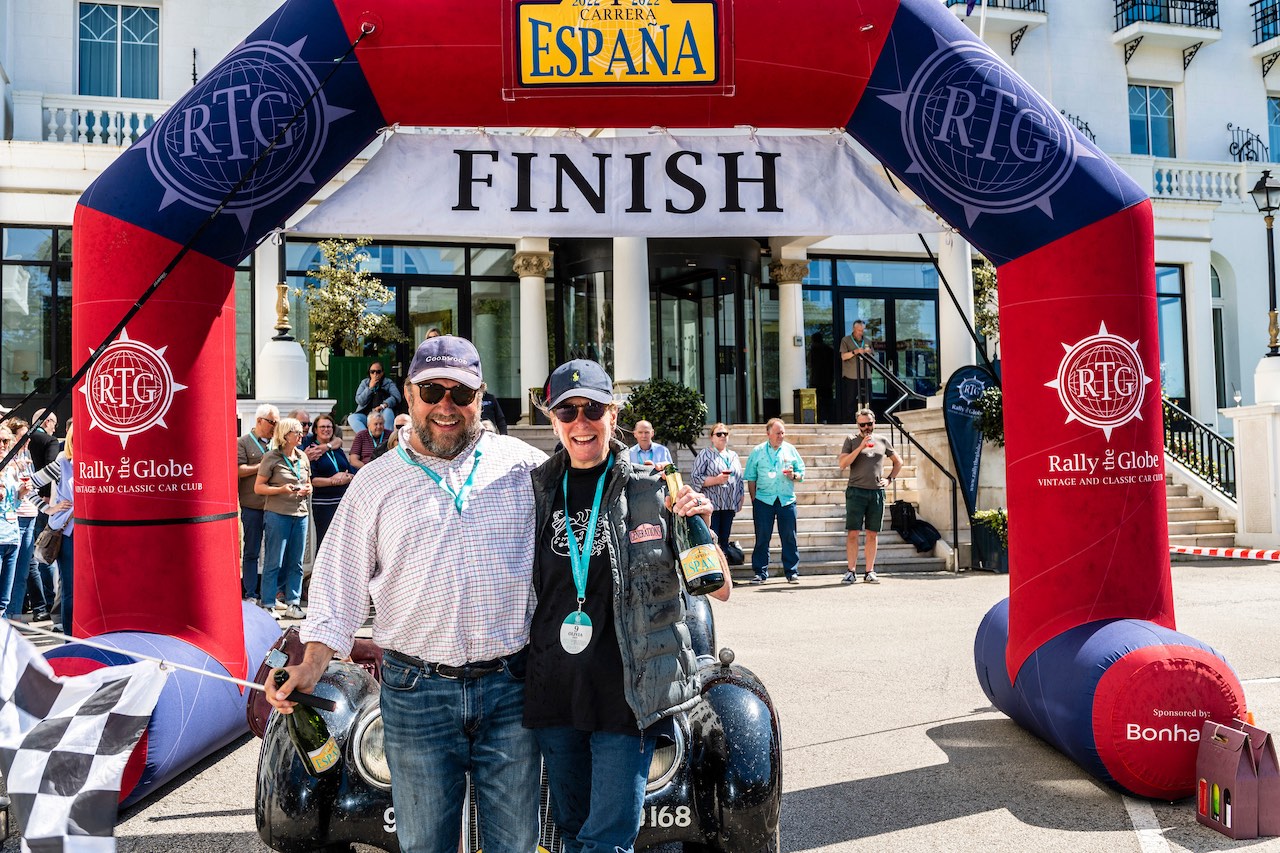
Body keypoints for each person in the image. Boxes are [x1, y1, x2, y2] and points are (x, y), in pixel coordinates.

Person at [267, 335, 547, 853]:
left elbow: (593, 502)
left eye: (460, 394)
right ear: (410, 396)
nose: (446, 406)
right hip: (416, 695)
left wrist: (667, 504)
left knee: (515, 843)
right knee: (424, 845)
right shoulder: (374, 482)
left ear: (480, 398)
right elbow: (337, 583)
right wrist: (309, 665)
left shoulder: (523, 467)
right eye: (432, 391)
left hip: (511, 687)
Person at [525, 359, 730, 853]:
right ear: (553, 420)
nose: (580, 422)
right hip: (556, 691)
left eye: (592, 408)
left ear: (612, 415)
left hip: (630, 695)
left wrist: (700, 522)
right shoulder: (533, 490)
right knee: (570, 835)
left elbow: (719, 589)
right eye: (567, 411)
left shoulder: (653, 489)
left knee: (608, 840)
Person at [254, 417, 312, 619]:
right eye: (296, 431)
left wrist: (307, 489)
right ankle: (268, 604)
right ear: (285, 435)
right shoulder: (271, 457)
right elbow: (258, 487)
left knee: (296, 562)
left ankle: (293, 603)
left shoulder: (303, 457)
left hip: (300, 514)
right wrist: (281, 489)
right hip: (278, 514)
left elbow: (310, 483)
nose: (301, 434)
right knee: (274, 560)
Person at [839, 408, 902, 585]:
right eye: (862, 424)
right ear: (857, 425)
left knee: (872, 533)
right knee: (853, 532)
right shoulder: (851, 440)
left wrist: (889, 479)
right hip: (856, 491)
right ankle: (851, 570)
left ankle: (869, 571)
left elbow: (899, 462)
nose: (866, 427)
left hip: (876, 492)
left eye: (869, 424)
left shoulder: (883, 440)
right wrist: (860, 446)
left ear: (874, 423)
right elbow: (843, 464)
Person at [743, 418, 806, 584]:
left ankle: (791, 572)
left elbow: (801, 473)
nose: (781, 436)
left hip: (786, 500)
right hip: (764, 500)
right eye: (778, 433)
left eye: (783, 433)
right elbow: (751, 477)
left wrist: (794, 476)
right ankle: (760, 572)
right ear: (768, 433)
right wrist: (754, 499)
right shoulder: (757, 451)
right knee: (762, 537)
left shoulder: (790, 450)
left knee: (789, 537)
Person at [33, 420, 74, 633]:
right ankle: (70, 638)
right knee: (70, 590)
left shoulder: (99, 463)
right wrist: (48, 508)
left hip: (94, 533)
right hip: (68, 534)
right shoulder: (62, 463)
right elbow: (29, 484)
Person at [236, 404, 279, 602]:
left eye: (277, 422)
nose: (275, 426)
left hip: (275, 505)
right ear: (260, 421)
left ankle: (272, 594)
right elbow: (238, 470)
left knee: (274, 553)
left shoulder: (277, 443)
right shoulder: (243, 442)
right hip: (252, 506)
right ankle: (250, 593)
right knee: (251, 551)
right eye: (272, 422)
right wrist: (260, 466)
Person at [2, 418, 43, 622]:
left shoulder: (27, 456)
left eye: (29, 436)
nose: (27, 440)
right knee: (9, 572)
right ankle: (7, 617)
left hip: (30, 515)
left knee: (22, 571)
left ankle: (14, 618)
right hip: (13, 521)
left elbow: (26, 491)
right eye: (23, 437)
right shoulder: (7, 461)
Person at [690, 422, 745, 548]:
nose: (722, 436)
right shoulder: (705, 454)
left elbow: (739, 478)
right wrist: (717, 480)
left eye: (725, 434)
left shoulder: (733, 456)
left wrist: (741, 497)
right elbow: (695, 478)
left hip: (729, 504)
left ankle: (723, 564)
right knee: (711, 539)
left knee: (724, 539)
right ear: (712, 437)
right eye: (719, 434)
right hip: (711, 506)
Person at [307, 413, 355, 548]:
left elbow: (349, 471)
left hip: (342, 502)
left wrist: (347, 477)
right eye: (322, 427)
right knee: (325, 543)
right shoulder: (313, 451)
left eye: (329, 427)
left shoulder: (337, 449)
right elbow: (313, 480)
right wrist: (333, 481)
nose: (326, 429)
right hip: (323, 504)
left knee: (343, 544)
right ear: (315, 429)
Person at [348, 361, 402, 434]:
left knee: (388, 412)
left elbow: (397, 396)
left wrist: (383, 405)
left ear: (382, 373)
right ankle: (367, 439)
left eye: (378, 372)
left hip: (382, 413)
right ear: (369, 373)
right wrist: (370, 388)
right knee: (352, 418)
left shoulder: (388, 383)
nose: (375, 374)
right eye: (372, 372)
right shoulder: (364, 383)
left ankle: (386, 441)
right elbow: (359, 401)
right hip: (367, 415)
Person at [839, 319, 874, 422]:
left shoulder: (867, 341)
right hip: (851, 376)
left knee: (868, 399)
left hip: (866, 375)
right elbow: (843, 356)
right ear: (854, 329)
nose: (861, 332)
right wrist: (856, 351)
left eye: (862, 330)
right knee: (850, 401)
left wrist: (869, 353)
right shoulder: (846, 340)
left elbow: (873, 356)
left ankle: (868, 421)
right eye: (859, 330)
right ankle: (849, 422)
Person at [809, 330, 836, 424]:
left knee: (817, 401)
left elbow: (810, 364)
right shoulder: (829, 349)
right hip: (828, 380)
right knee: (828, 400)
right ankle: (830, 418)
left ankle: (819, 418)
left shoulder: (813, 349)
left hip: (816, 379)